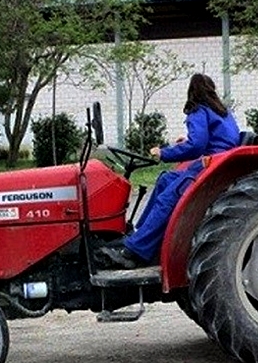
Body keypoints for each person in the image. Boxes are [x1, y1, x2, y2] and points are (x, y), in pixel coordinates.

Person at [100, 73, 241, 269]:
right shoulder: (223, 112)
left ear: (192, 92)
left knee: (167, 198)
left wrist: (164, 152)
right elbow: (218, 140)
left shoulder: (198, 110)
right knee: (166, 179)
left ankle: (134, 251)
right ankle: (141, 235)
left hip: (208, 165)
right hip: (217, 163)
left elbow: (197, 146)